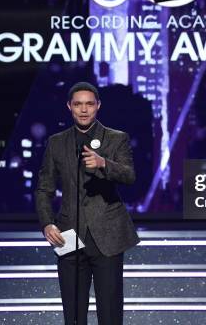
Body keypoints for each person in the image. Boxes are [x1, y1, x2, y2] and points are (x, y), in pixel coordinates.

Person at [35, 81, 140, 325]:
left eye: (89, 104)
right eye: (78, 104)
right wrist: (47, 224)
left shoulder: (116, 139)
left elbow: (129, 175)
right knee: (73, 312)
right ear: (69, 107)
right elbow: (44, 187)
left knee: (110, 311)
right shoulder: (56, 142)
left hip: (108, 235)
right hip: (68, 234)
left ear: (98, 106)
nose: (84, 110)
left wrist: (104, 164)